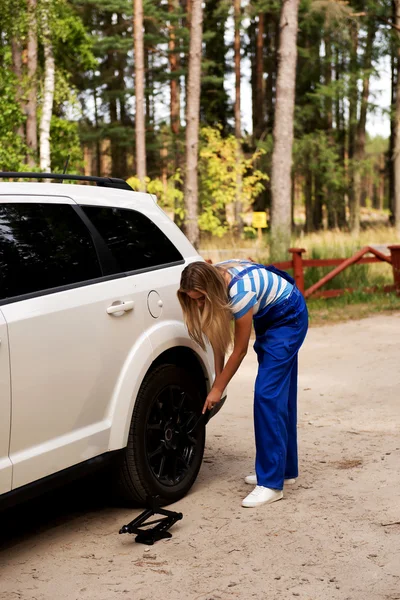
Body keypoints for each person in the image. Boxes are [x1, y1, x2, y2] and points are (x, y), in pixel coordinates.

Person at [177, 259, 308, 508]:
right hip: (271, 316)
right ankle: (284, 470)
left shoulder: (239, 292)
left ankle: (271, 485)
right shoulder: (216, 280)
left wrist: (217, 389)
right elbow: (218, 337)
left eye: (201, 298)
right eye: (193, 300)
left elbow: (239, 351)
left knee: (267, 395)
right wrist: (218, 380)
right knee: (281, 395)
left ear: (210, 290)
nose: (199, 304)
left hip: (289, 318)